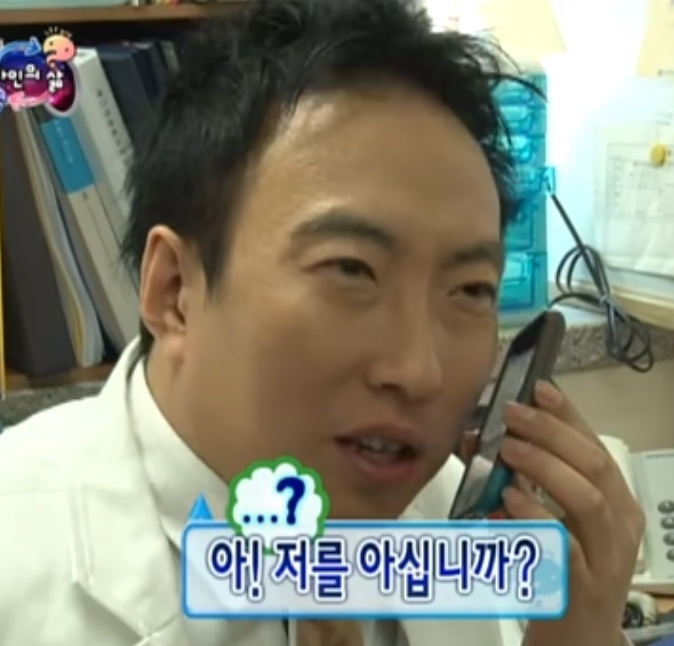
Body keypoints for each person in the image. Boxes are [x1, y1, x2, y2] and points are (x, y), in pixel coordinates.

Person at [0, 0, 644, 644]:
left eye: (470, 289)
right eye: (351, 270)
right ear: (175, 292)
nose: (420, 373)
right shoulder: (20, 570)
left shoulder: (456, 526)